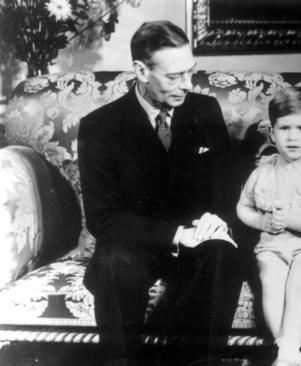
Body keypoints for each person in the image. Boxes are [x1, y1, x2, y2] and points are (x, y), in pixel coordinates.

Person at [78, 20, 243, 366]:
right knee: (113, 265)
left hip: (200, 238)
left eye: (191, 72)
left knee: (224, 257)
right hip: (138, 244)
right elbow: (103, 218)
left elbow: (226, 184)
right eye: (174, 76)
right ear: (140, 70)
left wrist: (218, 219)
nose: (187, 85)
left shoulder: (204, 110)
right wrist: (176, 234)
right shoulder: (99, 126)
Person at [236, 87, 301, 366]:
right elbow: (242, 207)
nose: (292, 136)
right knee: (271, 281)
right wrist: (260, 221)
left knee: (299, 285)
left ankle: (285, 354)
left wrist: (290, 219)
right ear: (272, 133)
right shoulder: (261, 172)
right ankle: (289, 352)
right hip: (273, 247)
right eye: (284, 128)